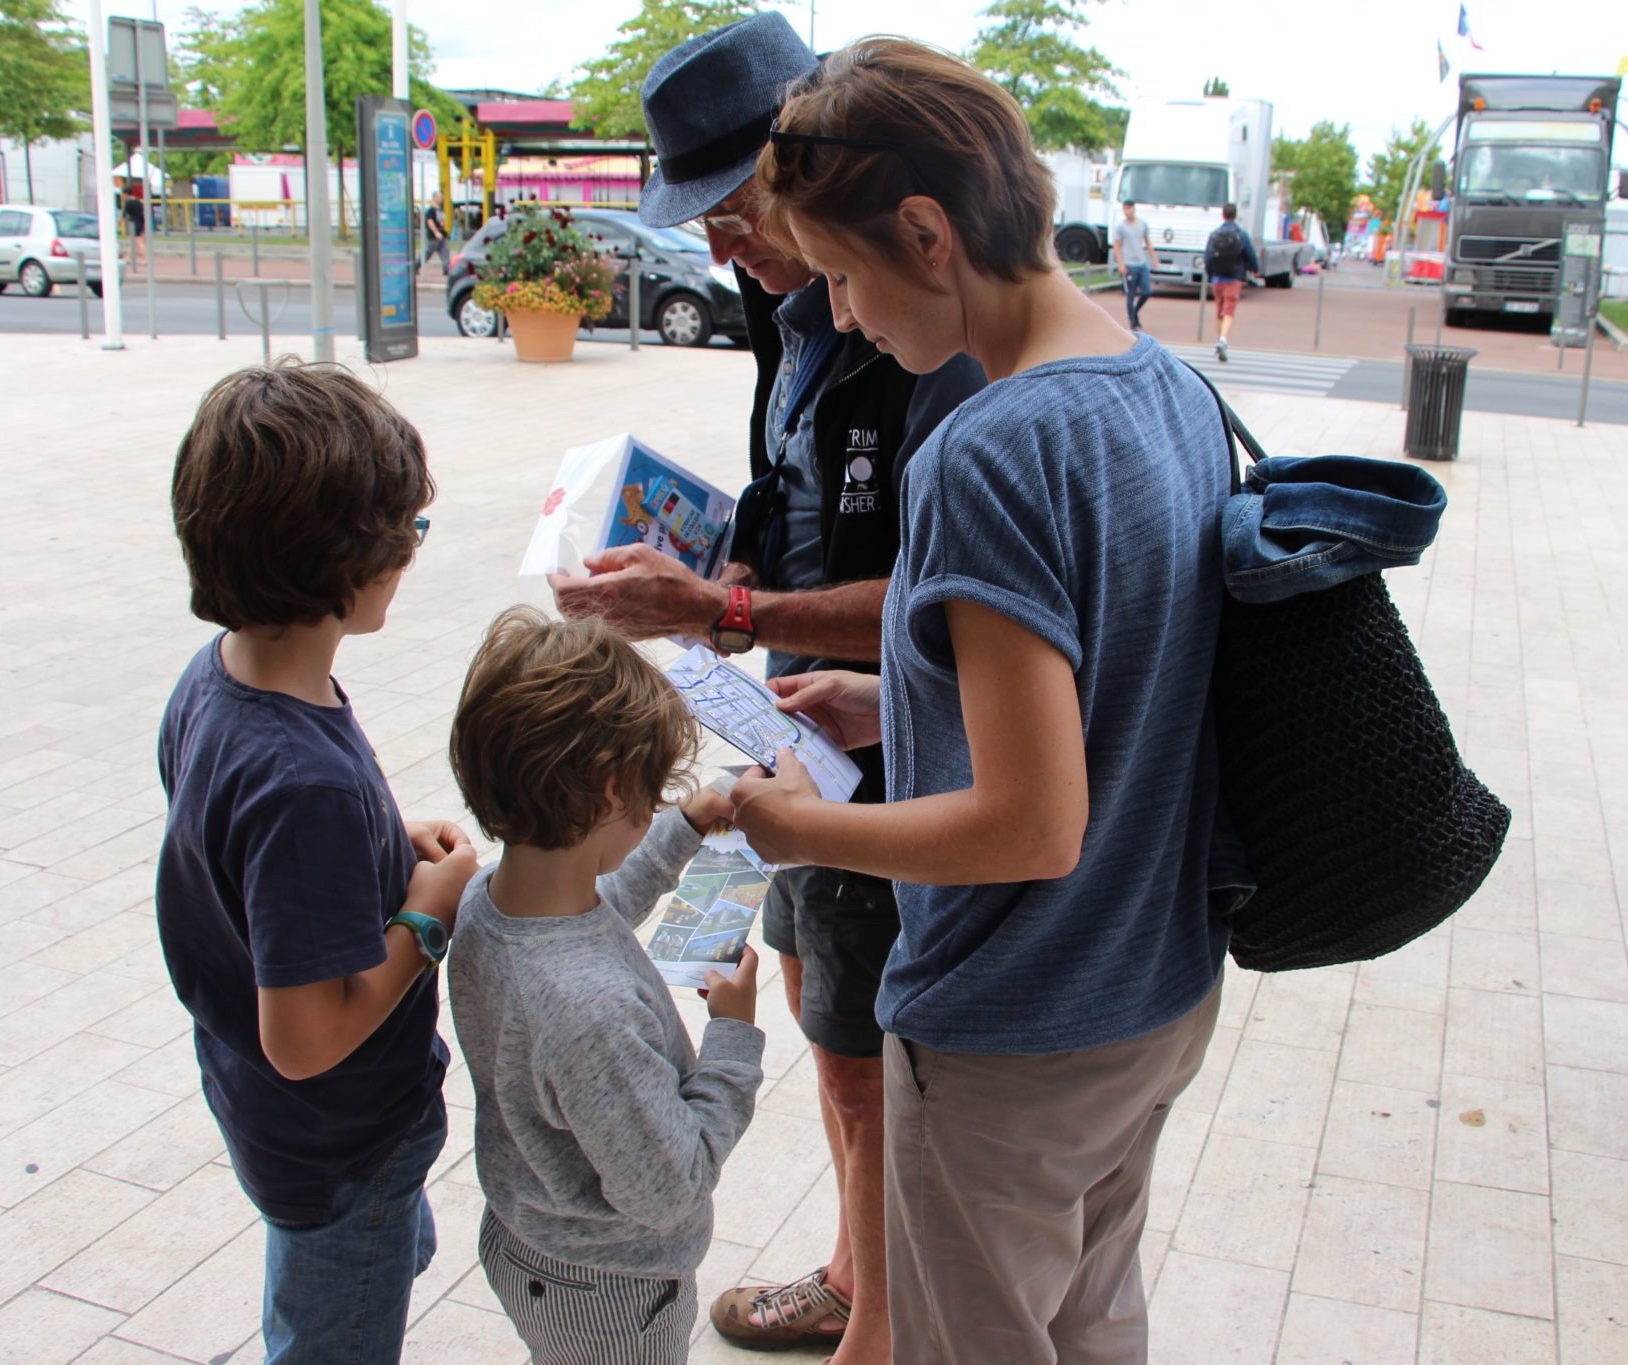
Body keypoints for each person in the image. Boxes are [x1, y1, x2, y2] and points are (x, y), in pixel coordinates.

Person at [735, 38, 1241, 1364]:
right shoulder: (1167, 388)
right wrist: (892, 700)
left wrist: (801, 830)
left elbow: (1031, 827)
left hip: (1017, 1019)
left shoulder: (988, 444)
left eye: (843, 274)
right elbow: (1122, 693)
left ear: (924, 231)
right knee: (1091, 1323)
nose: (842, 315)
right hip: (1155, 991)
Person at [552, 14, 985, 1363]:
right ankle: (860, 1271)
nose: (722, 248)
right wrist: (692, 558)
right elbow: (793, 504)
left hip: (892, 753)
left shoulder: (930, 335)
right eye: (709, 223)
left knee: (864, 1046)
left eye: (736, 211)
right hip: (794, 728)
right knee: (816, 1000)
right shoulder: (788, 312)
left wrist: (731, 607)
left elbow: (950, 590)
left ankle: (881, 1317)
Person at [155, 362, 478, 1363]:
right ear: (345, 559)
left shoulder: (216, 683)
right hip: (335, 1139)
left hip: (272, 1113)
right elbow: (301, 1038)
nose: (412, 557)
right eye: (407, 537)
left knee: (356, 1265)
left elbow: (255, 873)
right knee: (332, 1328)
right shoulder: (304, 784)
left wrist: (380, 857)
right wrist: (425, 915)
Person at [446, 606, 764, 1363]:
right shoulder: (589, 1010)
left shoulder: (493, 901)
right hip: (613, 1286)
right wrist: (734, 1036)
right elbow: (670, 1184)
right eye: (653, 795)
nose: (656, 806)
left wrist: (684, 826)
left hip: (532, 1237)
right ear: (610, 787)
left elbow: (602, 903)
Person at [1202, 201, 1262, 362]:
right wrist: (1255, 269)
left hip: (1217, 278)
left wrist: (1210, 273)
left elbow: (1207, 256)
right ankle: (1222, 340)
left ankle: (1219, 340)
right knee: (1229, 310)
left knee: (1219, 310)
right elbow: (1250, 254)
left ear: (1223, 215)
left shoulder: (1215, 233)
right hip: (1234, 277)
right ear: (1235, 215)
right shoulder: (1241, 233)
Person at [1113, 198, 1153, 331]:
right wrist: (1121, 264)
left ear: (1134, 208)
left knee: (1146, 291)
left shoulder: (1142, 224)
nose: (1127, 211)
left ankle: (1135, 312)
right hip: (1129, 263)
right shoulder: (1121, 227)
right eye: (1124, 208)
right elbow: (1117, 246)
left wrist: (1153, 257)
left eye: (1129, 208)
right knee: (1131, 293)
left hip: (1141, 262)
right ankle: (1132, 320)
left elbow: (1147, 241)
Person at [121, 173, 148, 269]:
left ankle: (146, 259)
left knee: (139, 242)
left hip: (133, 223)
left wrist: (120, 222)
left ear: (126, 194)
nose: (122, 195)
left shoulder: (128, 202)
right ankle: (128, 258)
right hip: (140, 222)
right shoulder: (138, 201)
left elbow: (125, 214)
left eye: (123, 194)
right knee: (132, 242)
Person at [422, 192, 450, 277]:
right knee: (427, 253)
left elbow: (441, 222)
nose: (441, 198)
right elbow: (429, 221)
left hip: (442, 236)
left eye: (441, 197)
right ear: (434, 198)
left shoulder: (440, 210)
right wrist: (436, 232)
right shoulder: (431, 211)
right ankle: (416, 266)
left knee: (445, 253)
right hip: (434, 237)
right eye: (439, 197)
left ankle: (446, 269)